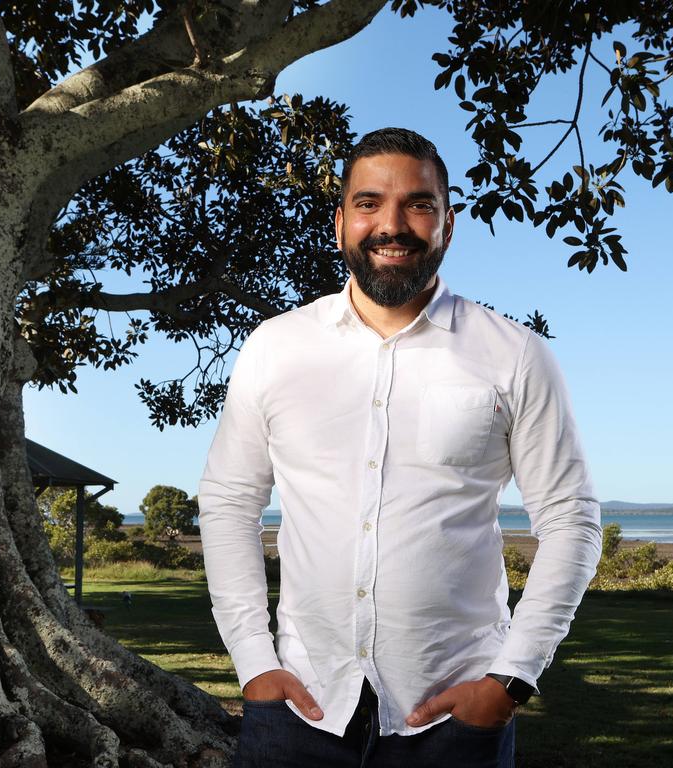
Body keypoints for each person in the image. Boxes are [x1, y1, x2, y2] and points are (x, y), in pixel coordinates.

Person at [198, 127, 601, 768]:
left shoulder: (515, 355)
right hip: (298, 708)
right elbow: (228, 503)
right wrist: (253, 663)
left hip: (455, 716)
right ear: (340, 222)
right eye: (368, 203)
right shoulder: (274, 348)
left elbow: (571, 520)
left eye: (417, 204)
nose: (392, 224)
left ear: (447, 223)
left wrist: (510, 681)